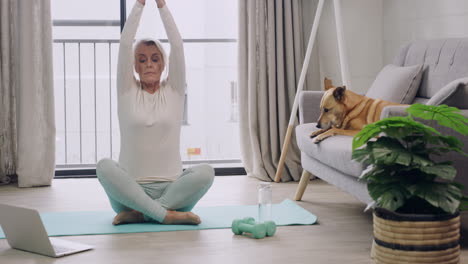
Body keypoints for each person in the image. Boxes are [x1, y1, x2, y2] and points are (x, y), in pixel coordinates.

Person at [96, 0, 214, 225]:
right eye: (142, 60)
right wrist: (139, 4)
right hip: (128, 194)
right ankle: (164, 216)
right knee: (104, 166)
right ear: (135, 66)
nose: (149, 64)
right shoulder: (126, 92)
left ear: (163, 64)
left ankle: (143, 213)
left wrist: (161, 5)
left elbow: (177, 46)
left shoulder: (175, 91)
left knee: (206, 172)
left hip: (173, 193)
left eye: (154, 59)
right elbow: (124, 45)